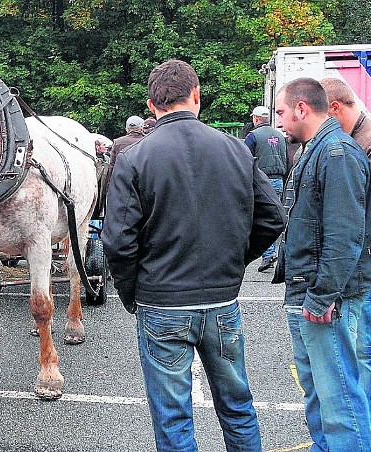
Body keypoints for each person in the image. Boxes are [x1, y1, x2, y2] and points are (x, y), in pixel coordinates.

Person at [102, 59, 286, 451]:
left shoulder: (134, 158)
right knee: (237, 406)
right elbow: (272, 217)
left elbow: (117, 241)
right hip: (221, 298)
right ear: (197, 96)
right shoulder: (235, 148)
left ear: (151, 105)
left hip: (162, 301)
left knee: (173, 417)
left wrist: (132, 292)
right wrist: (234, 260)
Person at [273, 77, 371, 451]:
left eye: (282, 112)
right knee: (320, 391)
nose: (278, 121)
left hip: (324, 297)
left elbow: (344, 234)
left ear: (302, 109)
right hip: (309, 289)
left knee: (336, 393)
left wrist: (323, 296)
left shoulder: (337, 154)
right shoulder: (317, 149)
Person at [320, 78, 371, 452]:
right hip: (358, 258)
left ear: (335, 108)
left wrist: (335, 208)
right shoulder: (355, 140)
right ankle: (360, 423)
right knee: (355, 346)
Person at [244, 105, 288, 272]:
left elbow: (246, 159)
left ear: (256, 119)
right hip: (279, 181)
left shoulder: (253, 136)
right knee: (275, 216)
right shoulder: (279, 135)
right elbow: (286, 159)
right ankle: (273, 252)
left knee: (260, 218)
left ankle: (267, 254)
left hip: (261, 182)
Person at [106, 115, 144, 184]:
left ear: (126, 129)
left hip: (122, 183)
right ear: (141, 128)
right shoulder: (147, 141)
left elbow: (112, 166)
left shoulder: (117, 142)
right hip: (142, 183)